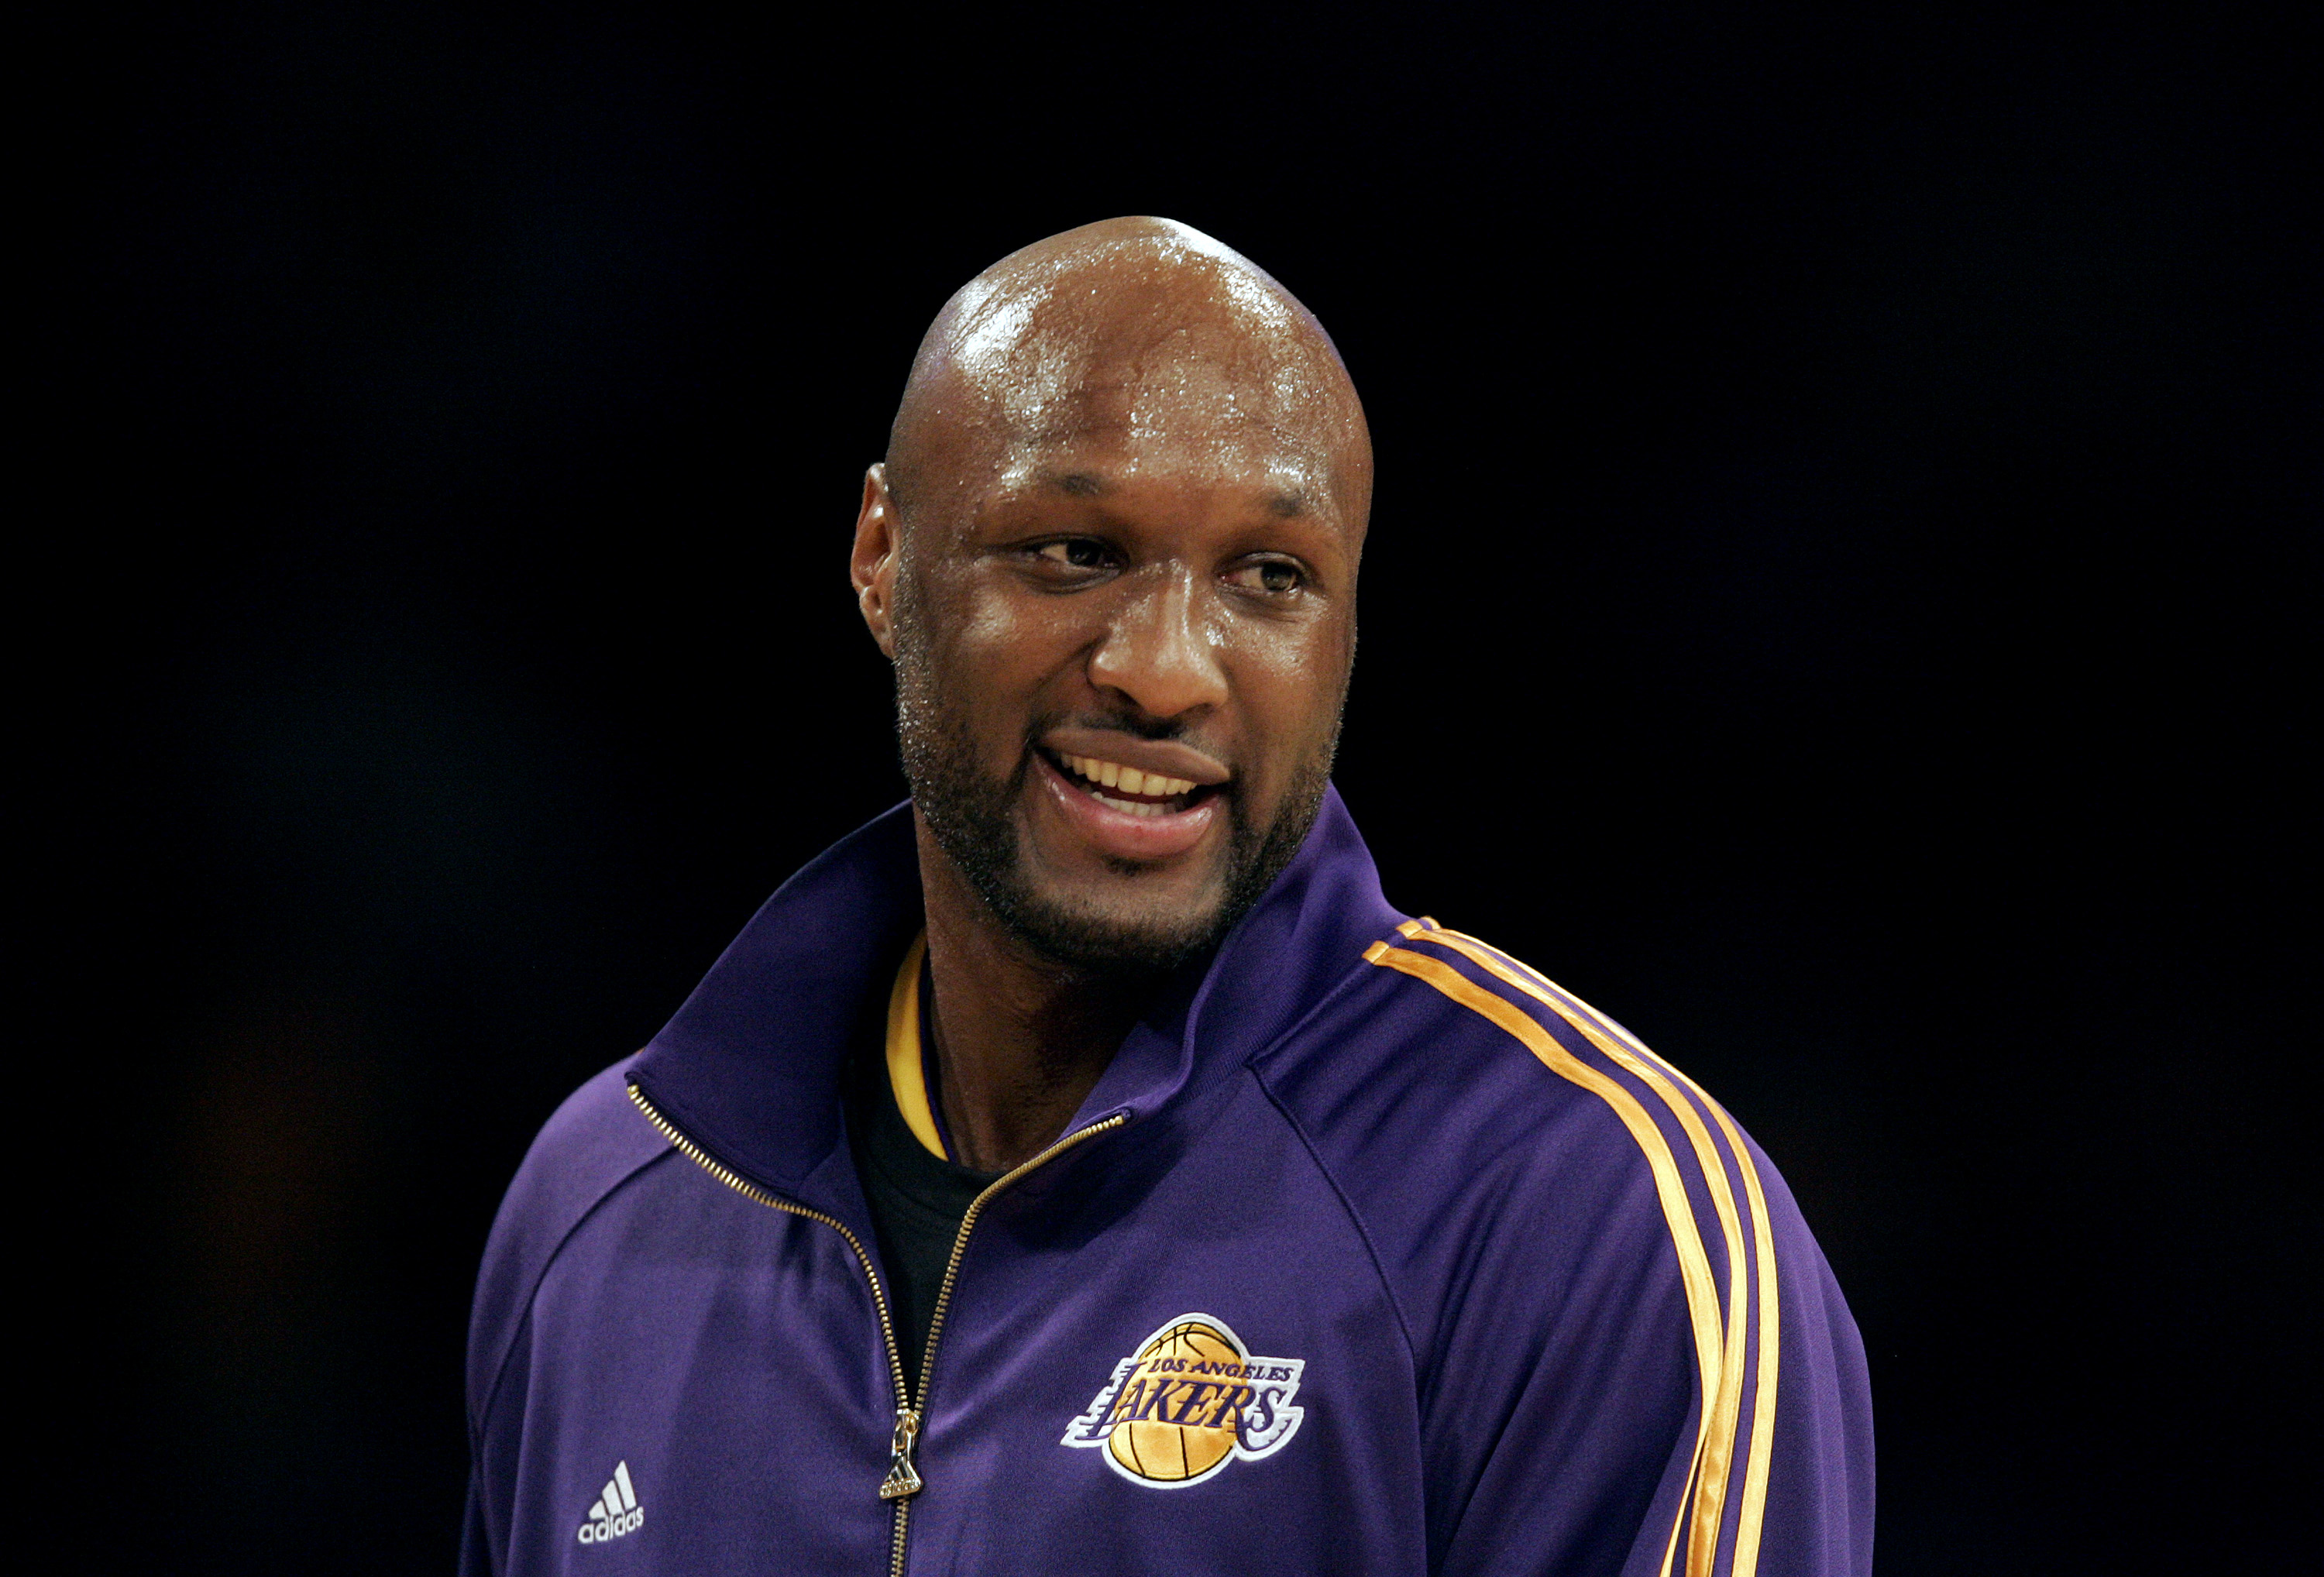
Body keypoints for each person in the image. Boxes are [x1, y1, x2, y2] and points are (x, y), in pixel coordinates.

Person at [462, 216, 1873, 1576]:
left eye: (1269, 579)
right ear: (883, 560)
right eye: (1075, 554)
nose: (1167, 668)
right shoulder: (604, 1208)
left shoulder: (1585, 1221)